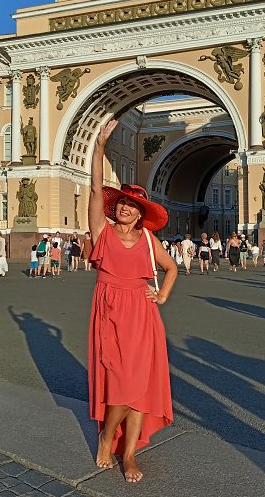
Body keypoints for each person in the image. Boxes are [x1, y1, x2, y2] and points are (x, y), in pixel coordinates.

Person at [88, 120, 177, 483]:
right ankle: (107, 436)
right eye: (122, 202)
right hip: (109, 311)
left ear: (141, 214)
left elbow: (171, 268)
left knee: (139, 385)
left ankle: (128, 454)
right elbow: (96, 189)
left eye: (132, 205)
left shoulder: (149, 241)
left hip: (142, 314)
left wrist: (162, 295)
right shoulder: (102, 231)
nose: (125, 207)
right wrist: (100, 146)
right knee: (121, 382)